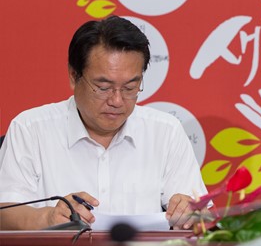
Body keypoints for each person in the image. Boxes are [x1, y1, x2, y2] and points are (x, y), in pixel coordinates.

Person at [0, 16, 207, 230]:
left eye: (129, 88)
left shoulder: (166, 132)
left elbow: (202, 216)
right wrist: (48, 218)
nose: (117, 101)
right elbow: (5, 213)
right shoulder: (30, 129)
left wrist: (190, 212)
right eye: (103, 87)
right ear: (74, 76)